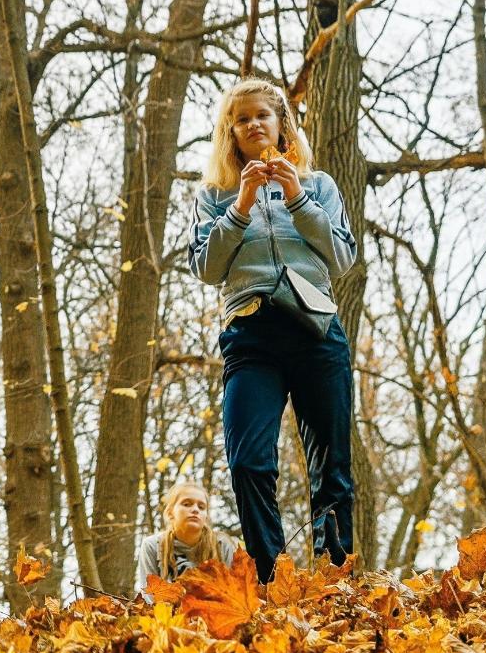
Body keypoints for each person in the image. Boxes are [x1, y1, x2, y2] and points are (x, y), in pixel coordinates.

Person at [188, 78, 357, 582]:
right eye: (241, 119)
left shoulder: (319, 185)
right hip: (250, 334)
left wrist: (298, 198)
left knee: (331, 466)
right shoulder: (215, 195)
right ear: (231, 134)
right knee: (248, 462)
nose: (252, 124)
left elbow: (343, 257)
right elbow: (205, 266)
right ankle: (272, 578)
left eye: (262, 114)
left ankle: (334, 578)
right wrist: (240, 206)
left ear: (281, 123)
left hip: (316, 328)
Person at [133, 482, 237, 597]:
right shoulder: (152, 545)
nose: (195, 510)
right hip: (165, 613)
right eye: (187, 504)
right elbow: (149, 596)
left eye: (201, 507)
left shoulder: (222, 545)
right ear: (170, 512)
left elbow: (232, 594)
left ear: (206, 517)